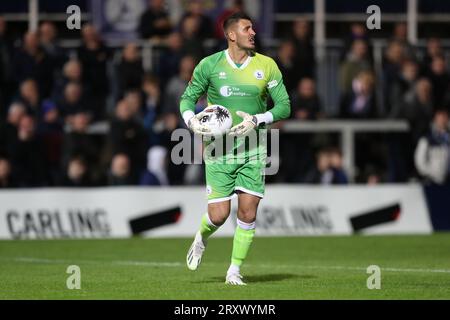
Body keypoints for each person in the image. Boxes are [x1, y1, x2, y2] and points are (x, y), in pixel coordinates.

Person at [179, 12, 290, 285]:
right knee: (218, 215)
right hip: (219, 150)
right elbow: (187, 98)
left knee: (248, 212)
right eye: (247, 28)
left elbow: (284, 105)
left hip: (253, 149)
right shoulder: (209, 65)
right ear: (231, 35)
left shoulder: (267, 65)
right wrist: (190, 120)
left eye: (253, 28)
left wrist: (258, 119)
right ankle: (201, 237)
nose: (253, 33)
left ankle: (234, 271)